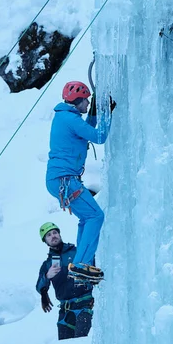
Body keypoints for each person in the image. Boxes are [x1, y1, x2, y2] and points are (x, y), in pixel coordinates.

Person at [46, 79, 109, 283]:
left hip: (60, 179)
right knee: (95, 216)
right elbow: (99, 136)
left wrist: (95, 113)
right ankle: (81, 265)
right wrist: (107, 113)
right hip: (65, 179)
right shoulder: (69, 119)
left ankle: (84, 263)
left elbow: (85, 132)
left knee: (87, 218)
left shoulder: (66, 117)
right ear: (78, 99)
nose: (88, 104)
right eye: (87, 101)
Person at [36, 221, 96, 339]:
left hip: (84, 305)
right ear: (45, 241)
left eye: (55, 232)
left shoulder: (76, 251)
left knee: (81, 343)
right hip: (65, 311)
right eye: (49, 235)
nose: (53, 236)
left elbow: (93, 265)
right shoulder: (47, 264)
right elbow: (39, 286)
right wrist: (47, 276)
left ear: (59, 234)